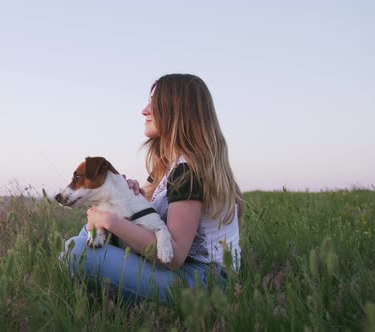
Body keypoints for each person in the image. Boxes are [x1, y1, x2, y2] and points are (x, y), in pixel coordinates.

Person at [59, 73, 243, 304]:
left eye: (155, 104)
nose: (145, 110)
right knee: (88, 236)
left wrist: (111, 221)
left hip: (205, 283)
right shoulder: (168, 164)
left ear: (178, 112)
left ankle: (94, 294)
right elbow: (150, 209)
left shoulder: (187, 171)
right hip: (190, 274)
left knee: (77, 252)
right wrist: (130, 193)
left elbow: (174, 256)